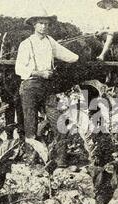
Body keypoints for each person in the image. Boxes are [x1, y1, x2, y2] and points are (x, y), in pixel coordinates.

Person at [15, 7, 79, 166]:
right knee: (30, 124)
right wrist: (39, 73)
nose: (44, 26)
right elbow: (19, 69)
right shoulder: (26, 44)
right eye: (40, 23)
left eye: (46, 23)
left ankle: (61, 160)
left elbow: (69, 56)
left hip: (48, 88)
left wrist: (80, 58)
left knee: (59, 123)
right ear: (34, 25)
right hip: (30, 86)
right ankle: (31, 159)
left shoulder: (51, 42)